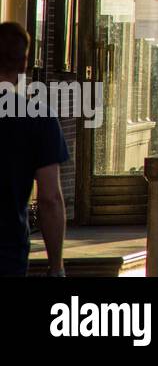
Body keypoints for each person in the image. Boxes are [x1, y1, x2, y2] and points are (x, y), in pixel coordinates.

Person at [1, 23, 68, 276]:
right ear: (23, 63)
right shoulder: (38, 117)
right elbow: (50, 199)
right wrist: (56, 267)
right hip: (7, 252)